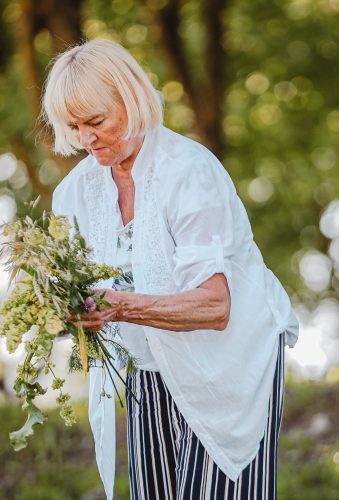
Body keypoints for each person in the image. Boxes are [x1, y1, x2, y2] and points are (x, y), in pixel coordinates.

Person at [43, 39, 299, 500]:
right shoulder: (76, 194)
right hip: (149, 365)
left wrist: (116, 306)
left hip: (229, 359)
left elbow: (216, 306)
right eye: (75, 126)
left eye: (96, 122)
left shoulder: (188, 172)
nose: (86, 139)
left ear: (131, 98)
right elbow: (81, 296)